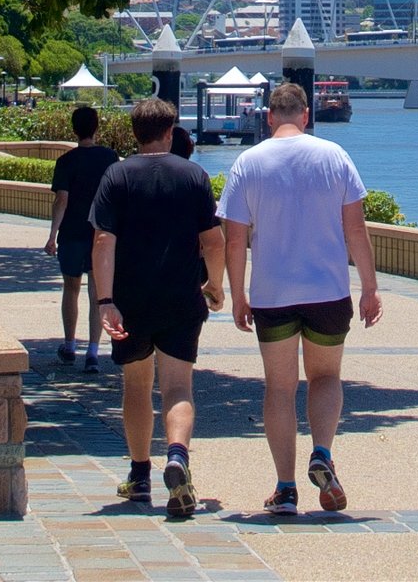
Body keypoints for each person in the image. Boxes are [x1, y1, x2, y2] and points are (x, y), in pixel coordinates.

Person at [218, 82, 379, 516]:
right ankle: (322, 453)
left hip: (272, 295)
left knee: (280, 387)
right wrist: (370, 286)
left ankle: (286, 488)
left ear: (270, 117)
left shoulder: (247, 163)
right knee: (326, 377)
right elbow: (356, 230)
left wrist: (238, 295)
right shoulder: (335, 156)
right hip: (328, 291)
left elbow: (235, 239)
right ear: (306, 115)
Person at [90, 98, 225, 520]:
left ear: (135, 133)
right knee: (178, 388)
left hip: (131, 302)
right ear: (171, 131)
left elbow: (102, 241)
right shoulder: (194, 175)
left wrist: (105, 301)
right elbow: (214, 241)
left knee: (136, 386)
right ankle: (178, 457)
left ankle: (140, 474)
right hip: (182, 298)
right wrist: (215, 284)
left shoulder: (116, 175)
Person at [44, 105, 119, 371]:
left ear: (74, 129)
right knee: (97, 293)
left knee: (71, 288)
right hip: (101, 235)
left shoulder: (66, 161)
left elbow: (61, 200)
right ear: (96, 127)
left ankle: (69, 345)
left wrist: (52, 235)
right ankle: (93, 352)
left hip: (72, 234)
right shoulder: (109, 158)